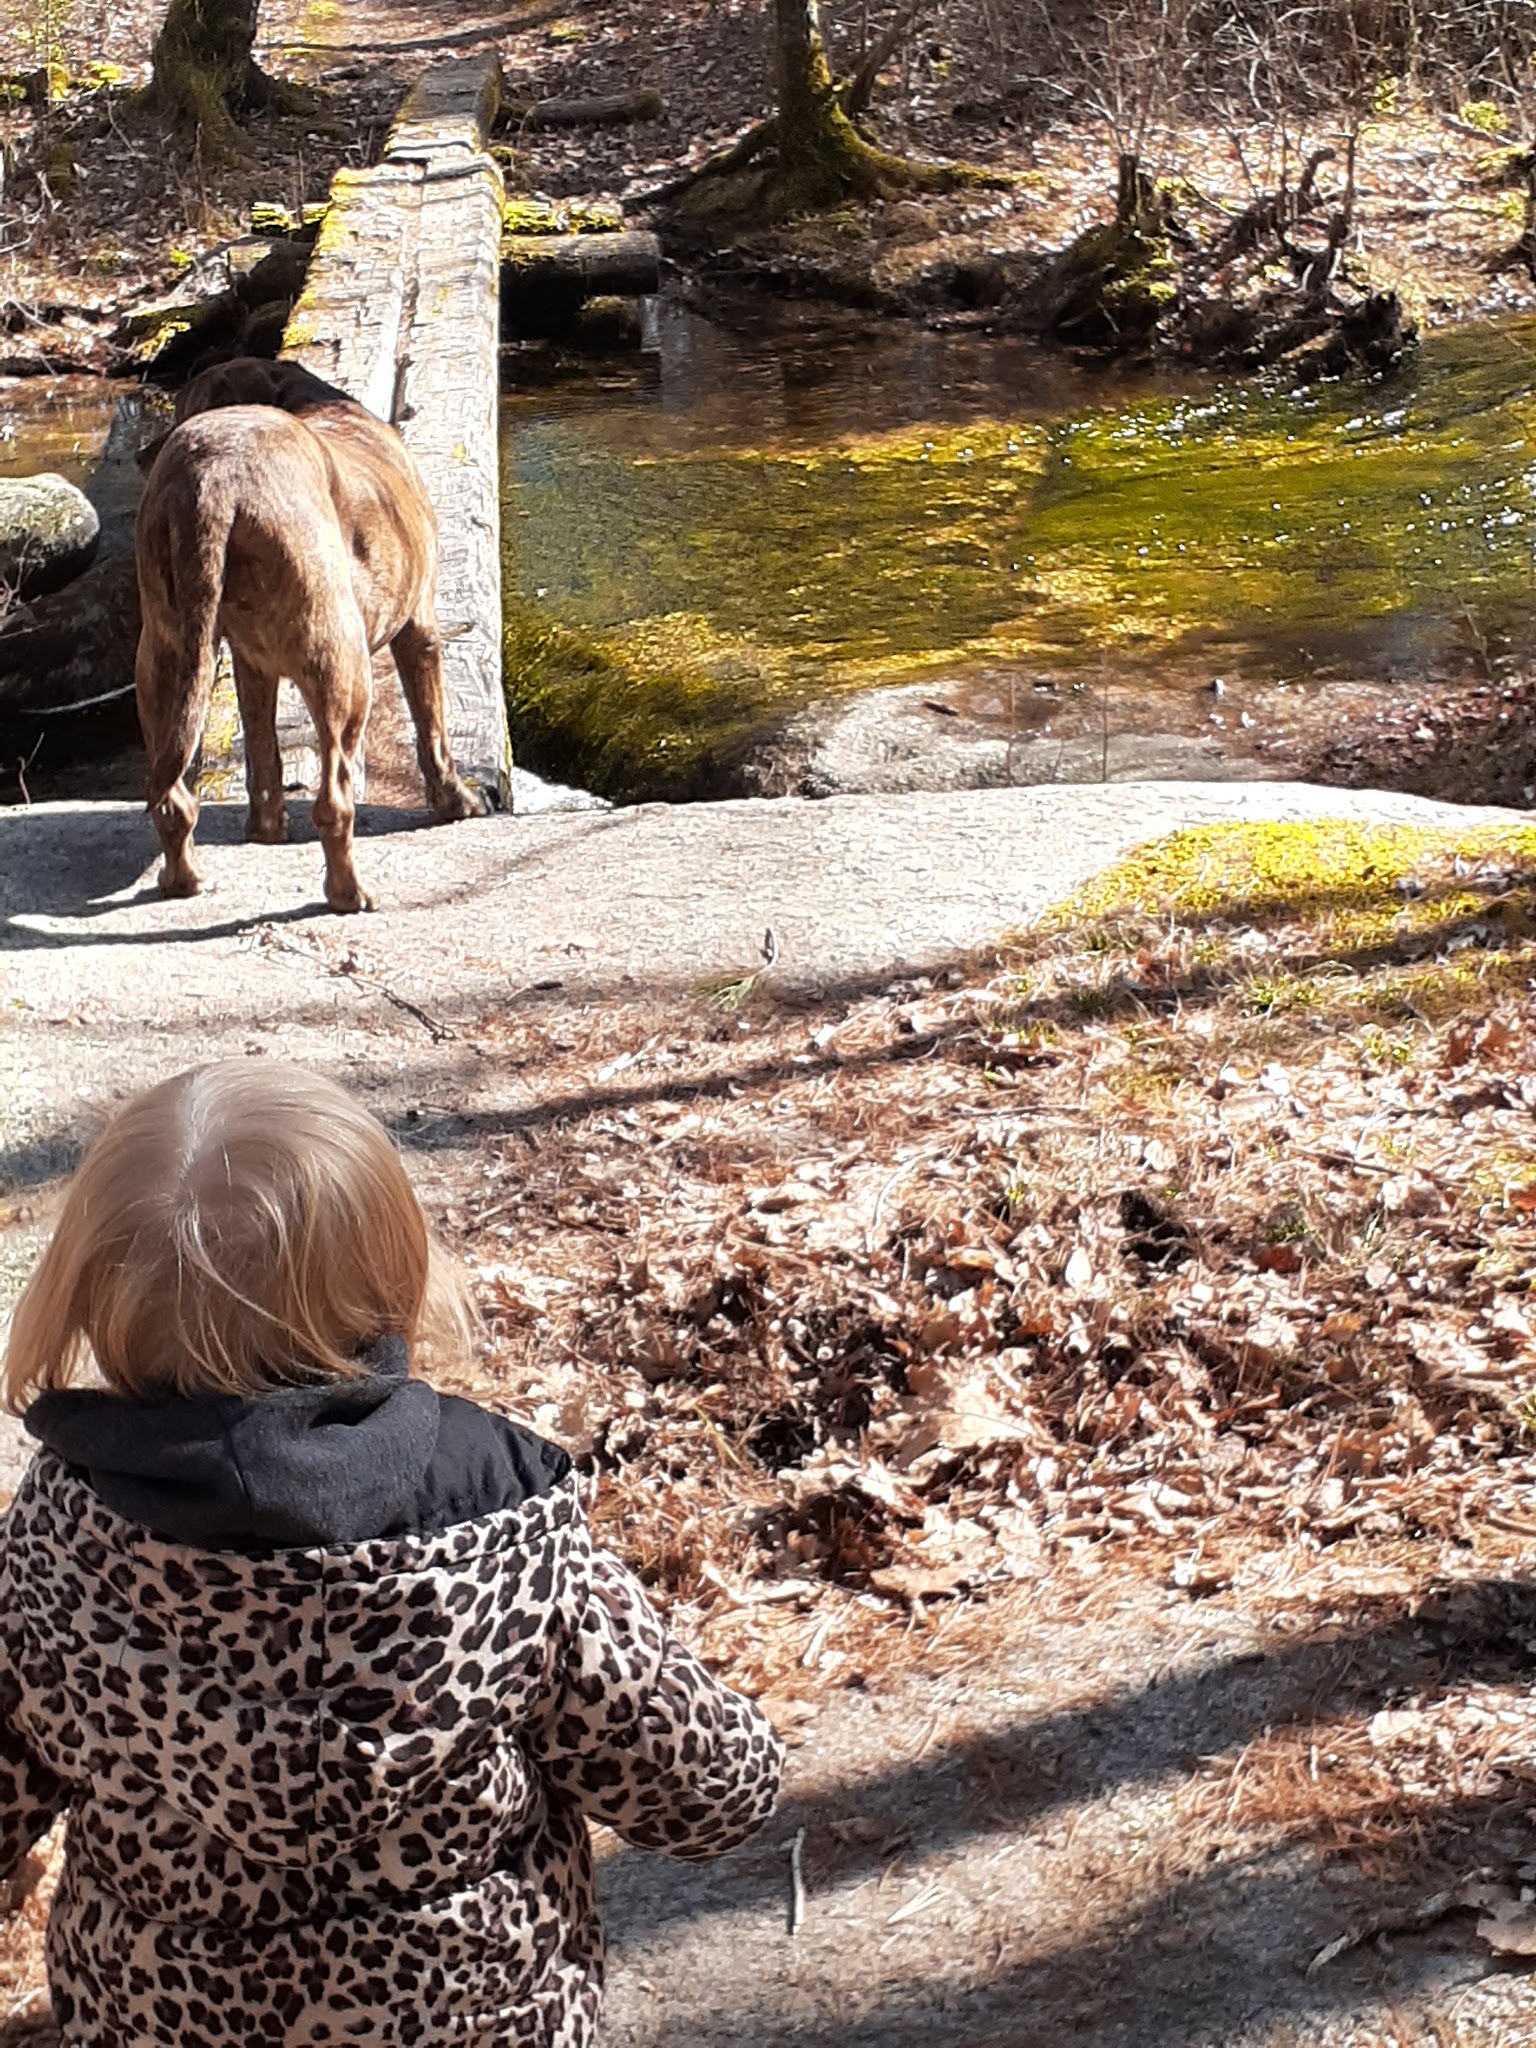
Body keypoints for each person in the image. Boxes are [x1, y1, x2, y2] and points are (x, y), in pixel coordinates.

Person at [0, 1061, 783, 2048]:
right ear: (391, 1273)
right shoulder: (507, 1530)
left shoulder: (63, 1547)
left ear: (90, 1300)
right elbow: (709, 1791)